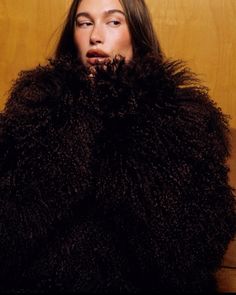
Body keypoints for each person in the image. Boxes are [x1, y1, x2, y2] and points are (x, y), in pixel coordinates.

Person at [0, 0, 235, 293]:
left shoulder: (182, 119)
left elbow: (193, 252)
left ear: (137, 33)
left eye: (113, 22)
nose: (95, 35)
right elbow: (8, 232)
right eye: (84, 23)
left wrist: (122, 131)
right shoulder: (36, 109)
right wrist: (70, 128)